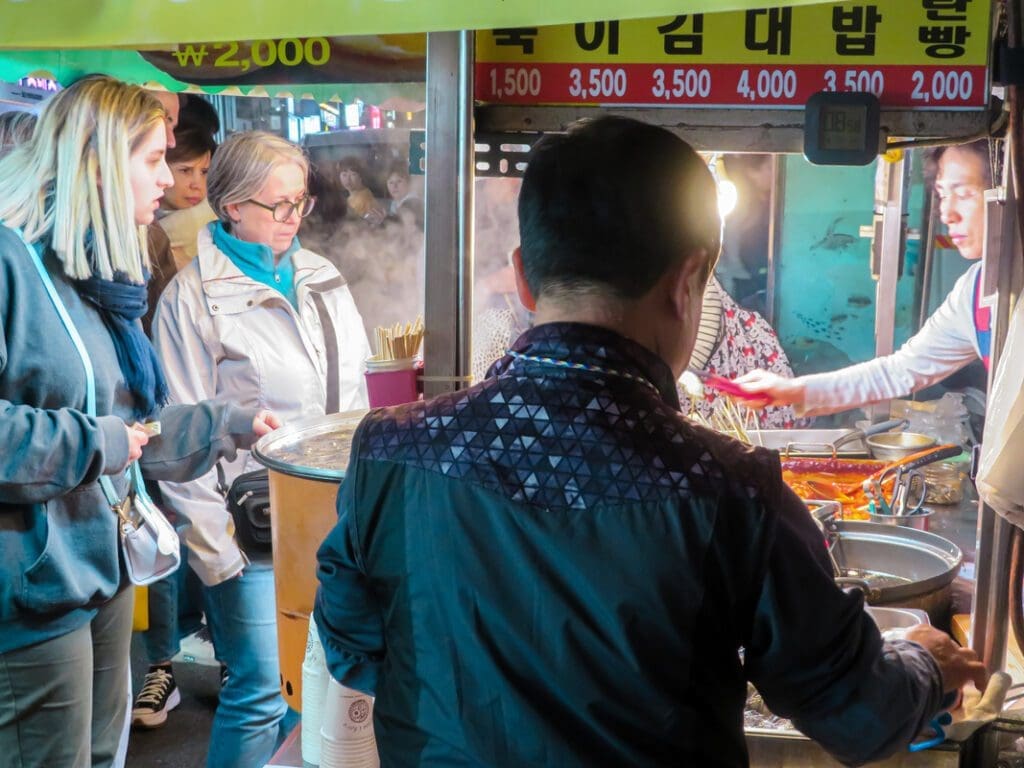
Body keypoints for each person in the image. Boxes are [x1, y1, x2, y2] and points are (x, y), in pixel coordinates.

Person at [314, 116, 987, 767]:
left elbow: (353, 642)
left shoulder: (391, 449)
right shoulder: (729, 487)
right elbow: (855, 713)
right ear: (688, 281)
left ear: (522, 275)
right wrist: (925, 661)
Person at [0, 75, 278, 768]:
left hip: (102, 572)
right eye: (154, 159)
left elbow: (137, 431)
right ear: (96, 160)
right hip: (31, 595)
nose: (170, 179)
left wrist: (229, 423)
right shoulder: (9, 264)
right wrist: (98, 443)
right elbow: (108, 437)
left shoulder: (94, 276)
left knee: (101, 758)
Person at [154, 130, 372, 768]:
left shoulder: (322, 276)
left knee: (321, 691)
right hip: (248, 533)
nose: (293, 218)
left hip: (333, 521)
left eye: (300, 202)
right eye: (278, 205)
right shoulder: (191, 301)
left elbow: (353, 391)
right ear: (231, 208)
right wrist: (216, 555)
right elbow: (176, 435)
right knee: (258, 693)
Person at [735, 139, 995, 416]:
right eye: (943, 195)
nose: (947, 214)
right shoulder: (974, 292)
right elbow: (899, 371)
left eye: (965, 193)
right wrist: (793, 390)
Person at [133, 122, 221, 730]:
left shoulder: (158, 241)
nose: (176, 181)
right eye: (166, 164)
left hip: (156, 405)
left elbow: (166, 323)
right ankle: (160, 662)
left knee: (162, 524)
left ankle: (165, 662)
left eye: (192, 168)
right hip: (127, 423)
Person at [338, 156, 385, 224]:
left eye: (353, 174)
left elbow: (351, 224)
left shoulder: (362, 198)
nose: (348, 179)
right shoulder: (361, 193)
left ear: (361, 177)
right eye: (344, 175)